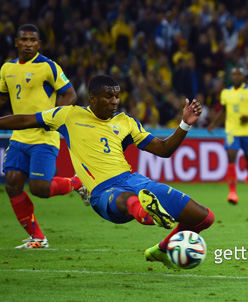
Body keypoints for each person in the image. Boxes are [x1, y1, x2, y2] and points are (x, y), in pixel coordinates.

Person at [0, 74, 214, 269]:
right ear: (92, 98)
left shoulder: (126, 122)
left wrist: (185, 124)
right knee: (131, 200)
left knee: (204, 218)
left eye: (117, 96)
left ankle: (162, 248)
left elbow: (164, 150)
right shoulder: (68, 115)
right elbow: (26, 119)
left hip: (135, 181)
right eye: (108, 96)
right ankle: (146, 212)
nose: (114, 101)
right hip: (103, 191)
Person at [0, 23, 86, 249]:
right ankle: (37, 237)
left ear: (39, 44)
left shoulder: (48, 66)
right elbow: (1, 98)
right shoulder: (6, 68)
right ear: (16, 42)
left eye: (32, 40)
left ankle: (78, 182)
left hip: (43, 137)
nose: (28, 44)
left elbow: (70, 94)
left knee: (40, 188)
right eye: (24, 39)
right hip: (19, 137)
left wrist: (53, 117)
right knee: (12, 183)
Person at [208, 67, 248, 204]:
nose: (237, 77)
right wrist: (213, 124)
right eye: (234, 74)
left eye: (239, 74)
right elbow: (223, 111)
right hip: (232, 131)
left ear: (244, 77)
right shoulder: (225, 93)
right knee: (231, 156)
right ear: (231, 77)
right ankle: (232, 192)